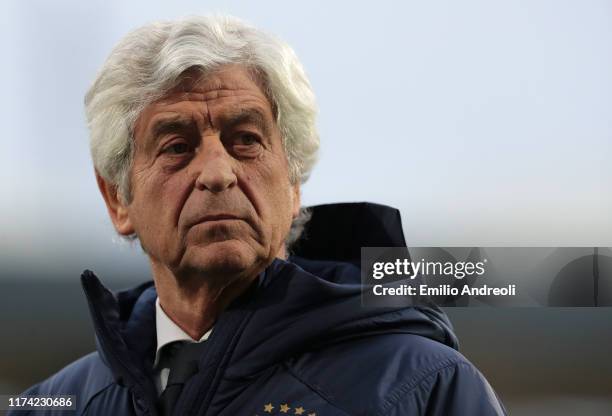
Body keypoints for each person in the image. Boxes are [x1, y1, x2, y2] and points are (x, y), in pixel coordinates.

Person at [12, 15, 506, 415]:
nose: (217, 173)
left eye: (245, 140)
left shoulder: (425, 385)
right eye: (178, 146)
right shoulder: (51, 407)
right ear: (118, 199)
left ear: (293, 185)